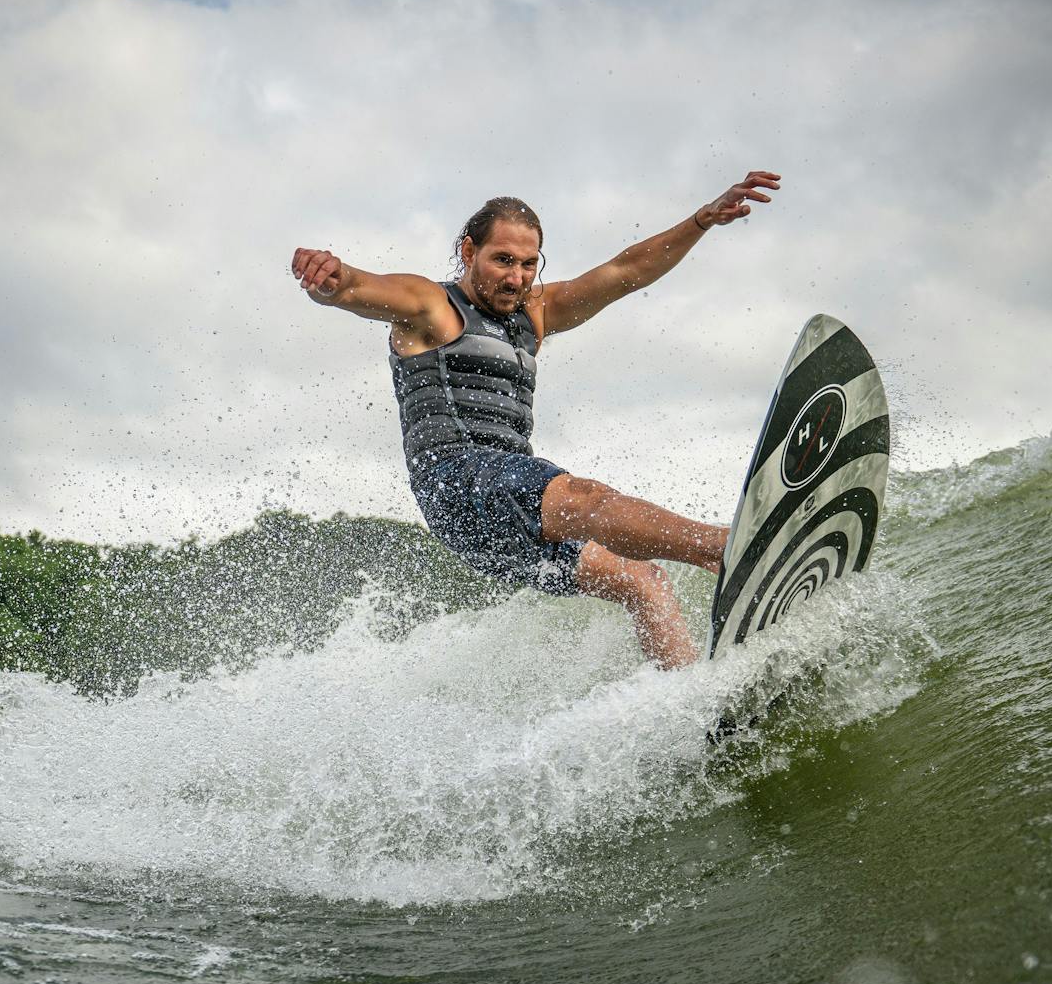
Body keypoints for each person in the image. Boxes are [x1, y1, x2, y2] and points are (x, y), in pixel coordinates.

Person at [290, 171, 782, 667]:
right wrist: (329, 281)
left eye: (529, 264)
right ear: (468, 251)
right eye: (503, 260)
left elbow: (624, 271)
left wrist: (701, 221)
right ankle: (721, 549)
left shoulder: (536, 313)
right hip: (457, 481)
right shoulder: (431, 306)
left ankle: (690, 703)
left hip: (504, 517)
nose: (516, 277)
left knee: (642, 580)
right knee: (584, 497)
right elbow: (357, 288)